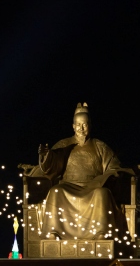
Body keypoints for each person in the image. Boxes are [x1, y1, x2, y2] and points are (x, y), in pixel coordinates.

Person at [36, 102, 130, 240]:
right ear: (73, 126)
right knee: (56, 191)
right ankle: (53, 232)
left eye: (85, 124)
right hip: (68, 185)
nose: (81, 128)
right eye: (78, 124)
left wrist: (111, 174)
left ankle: (101, 233)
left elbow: (113, 166)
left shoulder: (100, 146)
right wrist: (45, 156)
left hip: (93, 186)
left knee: (102, 194)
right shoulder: (64, 144)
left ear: (90, 125)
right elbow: (51, 166)